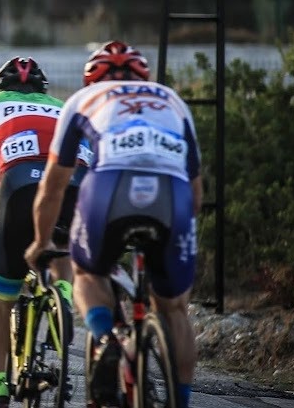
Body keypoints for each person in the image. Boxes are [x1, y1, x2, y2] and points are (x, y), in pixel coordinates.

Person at [25, 41, 201, 408]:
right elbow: (197, 190)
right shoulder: (172, 100)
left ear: (92, 79)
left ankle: (105, 340)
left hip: (110, 188)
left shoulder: (82, 100)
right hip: (173, 196)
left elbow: (53, 186)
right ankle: (180, 400)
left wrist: (41, 242)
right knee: (174, 309)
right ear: (144, 76)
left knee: (87, 273)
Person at [0, 57, 87, 408]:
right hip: (77, 186)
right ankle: (63, 296)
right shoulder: (63, 107)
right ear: (42, 90)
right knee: (60, 242)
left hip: (19, 189)